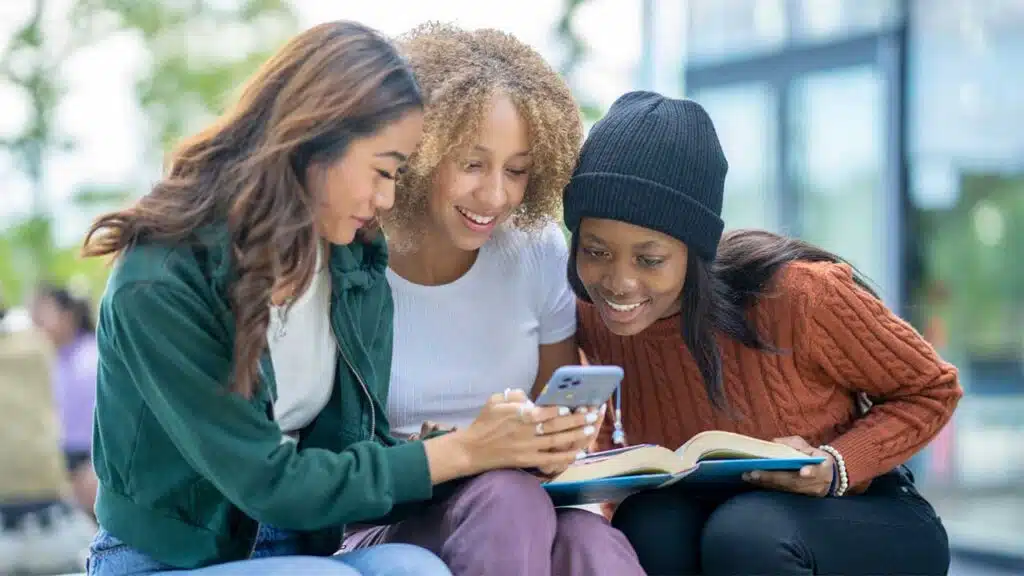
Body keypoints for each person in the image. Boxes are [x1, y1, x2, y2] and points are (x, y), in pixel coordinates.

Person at [78, 21, 594, 576]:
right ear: (314, 142)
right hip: (167, 559)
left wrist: (488, 444)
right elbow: (268, 483)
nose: (389, 197)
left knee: (413, 569)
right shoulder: (161, 282)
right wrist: (463, 451)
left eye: (398, 174)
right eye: (382, 170)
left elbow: (355, 449)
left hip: (299, 543)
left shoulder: (350, 258)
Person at [563, 91, 961, 575]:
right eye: (596, 251)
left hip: (863, 518)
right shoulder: (594, 315)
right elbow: (612, 428)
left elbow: (933, 388)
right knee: (647, 521)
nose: (618, 283)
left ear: (695, 253)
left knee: (746, 532)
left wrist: (838, 463)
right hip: (718, 519)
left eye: (650, 260)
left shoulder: (797, 296)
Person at [342, 23, 643, 576]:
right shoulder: (354, 253)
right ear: (422, 151)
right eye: (472, 164)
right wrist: (454, 451)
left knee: (590, 540)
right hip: (388, 516)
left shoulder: (535, 250)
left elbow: (550, 412)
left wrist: (557, 443)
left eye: (517, 170)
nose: (494, 196)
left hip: (522, 509)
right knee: (507, 499)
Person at [30, 284, 100, 519]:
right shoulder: (46, 360)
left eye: (43, 311)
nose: (36, 319)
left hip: (94, 464)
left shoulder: (93, 357)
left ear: (68, 315)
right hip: (60, 468)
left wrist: (93, 467)